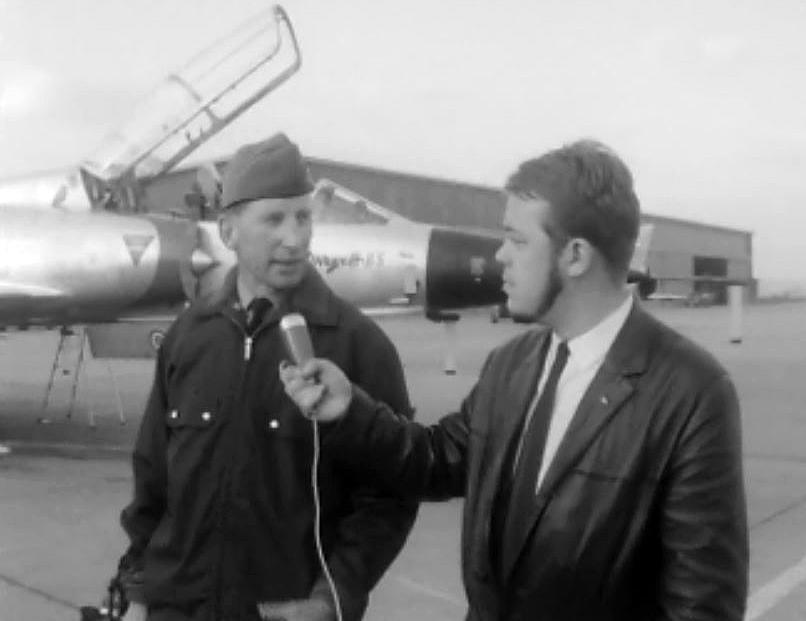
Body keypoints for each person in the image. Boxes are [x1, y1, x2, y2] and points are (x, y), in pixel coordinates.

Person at [282, 140, 749, 620]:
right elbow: (439, 460)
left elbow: (703, 606)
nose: (500, 255)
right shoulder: (512, 363)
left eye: (518, 240)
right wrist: (349, 411)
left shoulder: (691, 395)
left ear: (575, 256)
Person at [116, 133, 417, 621]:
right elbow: (154, 482)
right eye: (274, 219)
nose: (294, 238)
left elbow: (388, 498)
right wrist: (138, 592)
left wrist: (331, 599)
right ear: (229, 231)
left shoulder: (358, 346)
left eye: (303, 217)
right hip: (177, 607)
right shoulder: (190, 336)